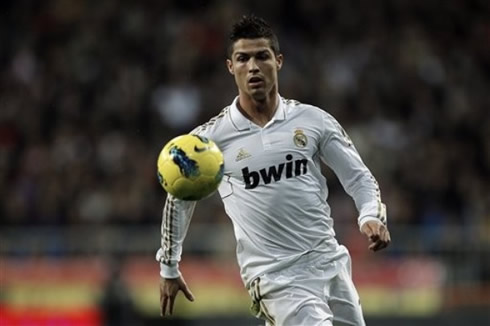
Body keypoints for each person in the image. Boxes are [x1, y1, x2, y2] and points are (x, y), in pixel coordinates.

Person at [156, 15, 391, 325]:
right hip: (274, 277)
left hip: (330, 263)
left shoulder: (313, 120)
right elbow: (179, 199)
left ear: (278, 61)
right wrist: (169, 266)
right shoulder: (209, 141)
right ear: (231, 67)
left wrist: (370, 215)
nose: (253, 66)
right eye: (243, 58)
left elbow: (358, 177)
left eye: (261, 56)